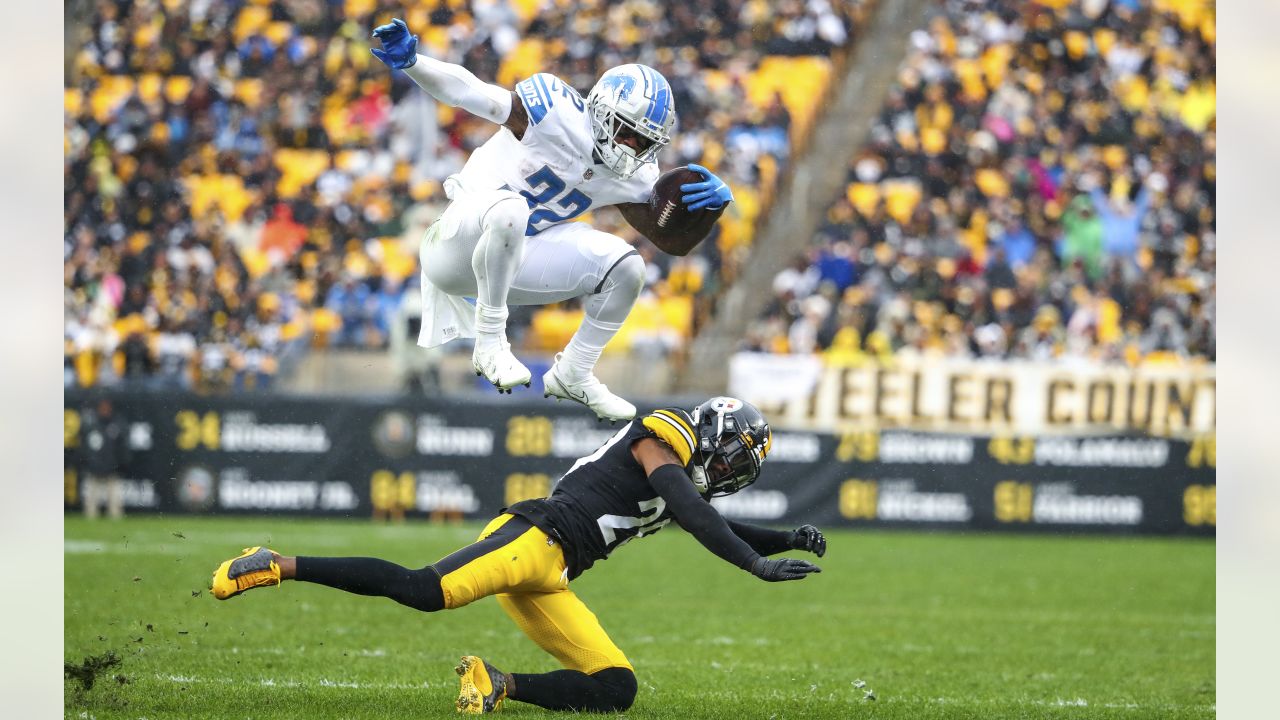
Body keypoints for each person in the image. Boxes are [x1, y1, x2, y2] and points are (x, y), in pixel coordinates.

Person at [212, 397, 825, 714]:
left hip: (553, 574)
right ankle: (275, 562)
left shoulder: (676, 481)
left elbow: (708, 515)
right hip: (536, 535)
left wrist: (786, 538)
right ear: (711, 433)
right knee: (424, 590)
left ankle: (496, 684)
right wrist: (754, 565)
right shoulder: (662, 437)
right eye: (730, 457)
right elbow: (695, 516)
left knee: (616, 688)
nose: (726, 471)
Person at [370, 19, 735, 421]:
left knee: (629, 268)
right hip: (455, 246)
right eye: (626, 132)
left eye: (644, 141)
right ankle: (490, 343)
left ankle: (574, 372)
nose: (632, 147)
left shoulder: (633, 173)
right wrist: (414, 63)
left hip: (513, 264)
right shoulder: (553, 112)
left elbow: (673, 244)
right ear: (600, 110)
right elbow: (471, 93)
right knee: (510, 210)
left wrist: (709, 213)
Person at [81, 398, 127, 520]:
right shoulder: (91, 424)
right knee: (90, 499)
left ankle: (115, 517)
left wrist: (120, 463)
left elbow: (122, 448)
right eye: (102, 407)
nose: (105, 410)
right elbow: (85, 447)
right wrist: (89, 463)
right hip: (93, 467)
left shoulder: (117, 424)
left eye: (107, 407)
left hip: (112, 467)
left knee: (115, 500)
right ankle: (90, 517)